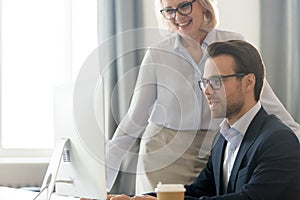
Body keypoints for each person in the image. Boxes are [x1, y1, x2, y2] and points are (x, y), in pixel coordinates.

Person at [106, 0, 300, 195]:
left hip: (215, 148)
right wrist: (101, 182)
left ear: (203, 4)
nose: (177, 17)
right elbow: (134, 120)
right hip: (166, 152)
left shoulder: (231, 46)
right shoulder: (158, 54)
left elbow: (261, 98)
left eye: (183, 6)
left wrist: (292, 139)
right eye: (169, 10)